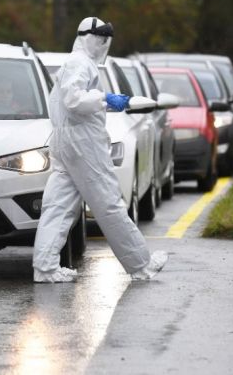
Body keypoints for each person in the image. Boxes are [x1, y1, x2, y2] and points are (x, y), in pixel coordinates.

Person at [32, 16, 168, 283]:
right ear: (93, 39)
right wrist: (105, 99)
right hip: (84, 144)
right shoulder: (79, 63)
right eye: (103, 39)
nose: (105, 44)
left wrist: (104, 103)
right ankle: (141, 264)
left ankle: (45, 267)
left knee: (58, 205)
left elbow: (69, 102)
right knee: (108, 203)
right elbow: (74, 101)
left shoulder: (73, 63)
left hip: (66, 141)